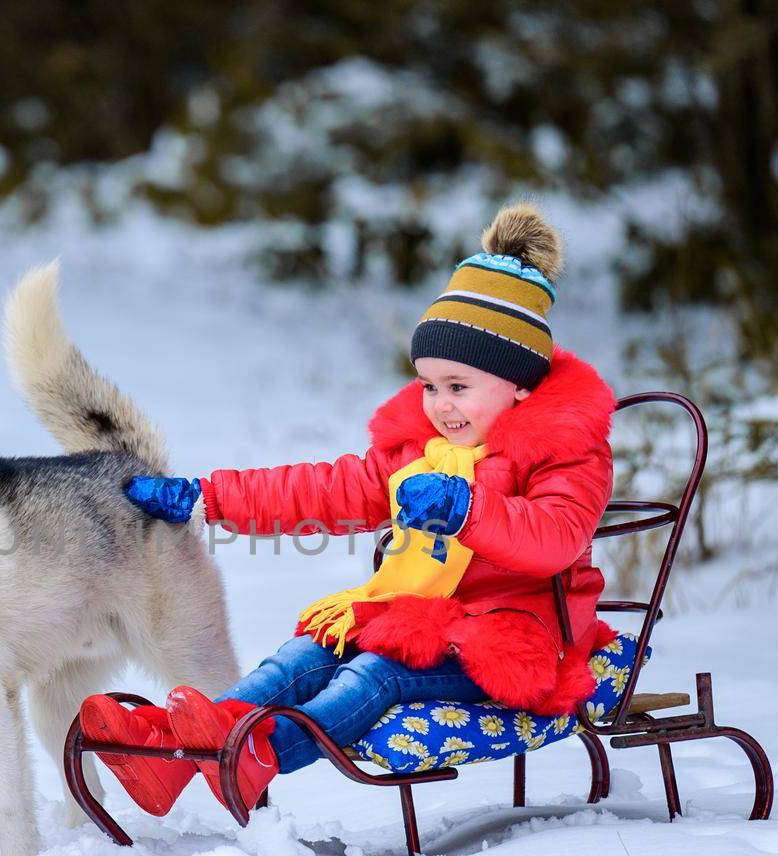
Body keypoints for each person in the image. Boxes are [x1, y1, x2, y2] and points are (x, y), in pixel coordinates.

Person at [80, 203, 617, 816]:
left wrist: (466, 508)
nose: (441, 405)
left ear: (520, 383)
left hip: (515, 646)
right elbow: (324, 491)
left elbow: (554, 535)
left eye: (458, 387)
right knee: (301, 657)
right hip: (421, 622)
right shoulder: (423, 453)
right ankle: (171, 751)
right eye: (429, 386)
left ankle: (258, 754)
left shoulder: (566, 453)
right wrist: (209, 498)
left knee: (374, 674)